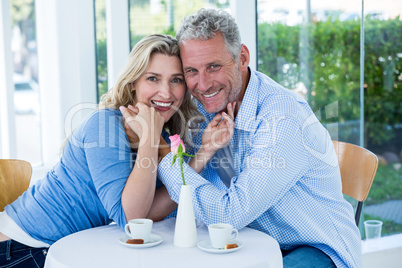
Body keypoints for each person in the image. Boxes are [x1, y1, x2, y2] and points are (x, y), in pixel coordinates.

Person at [153, 8, 362, 268]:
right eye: (191, 71)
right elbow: (186, 197)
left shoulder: (282, 118)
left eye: (214, 66)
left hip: (316, 249)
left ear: (242, 57)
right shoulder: (207, 108)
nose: (203, 84)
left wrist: (162, 152)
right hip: (255, 244)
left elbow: (228, 214)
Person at [0, 34, 200, 267]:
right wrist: (149, 140)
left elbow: (150, 209)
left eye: (176, 80)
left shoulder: (161, 135)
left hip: (62, 248)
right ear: (133, 82)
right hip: (20, 248)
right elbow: (133, 219)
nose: (166, 93)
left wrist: (205, 154)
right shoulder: (104, 125)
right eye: (153, 78)